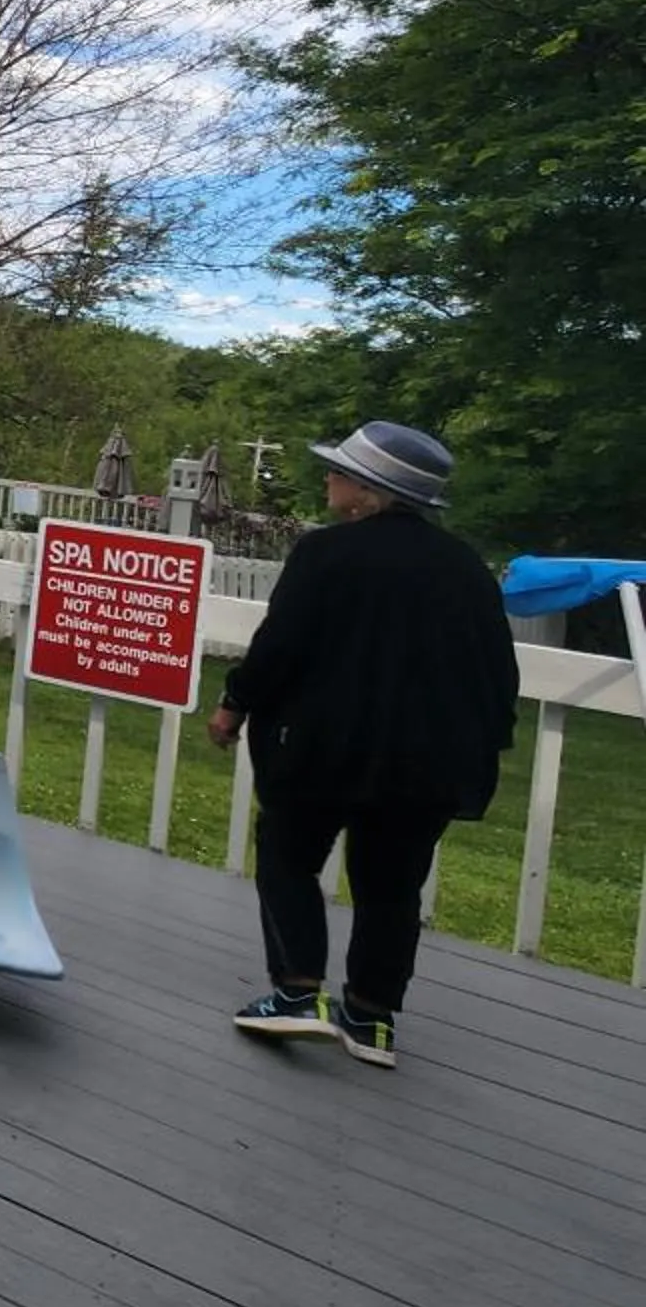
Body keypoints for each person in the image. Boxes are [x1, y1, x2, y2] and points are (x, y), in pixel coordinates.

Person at [206, 421, 518, 1067]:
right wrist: (488, 744)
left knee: (288, 856)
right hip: (427, 765)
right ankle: (371, 1018)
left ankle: (296, 996)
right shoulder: (467, 571)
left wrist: (235, 703)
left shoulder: (327, 555)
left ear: (369, 490)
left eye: (338, 471)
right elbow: (497, 673)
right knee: (393, 887)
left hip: (324, 749)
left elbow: (281, 646)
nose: (328, 478)